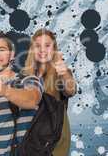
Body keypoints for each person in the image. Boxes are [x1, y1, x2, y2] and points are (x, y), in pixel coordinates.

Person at [0, 31, 43, 156]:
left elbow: (33, 99)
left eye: (1, 49)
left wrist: (4, 90)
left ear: (11, 55)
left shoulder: (28, 80)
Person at [23, 28, 77, 156]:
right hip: (31, 142)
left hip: (54, 141)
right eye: (38, 46)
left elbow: (71, 90)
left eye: (47, 45)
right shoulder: (25, 76)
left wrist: (63, 72)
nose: (42, 50)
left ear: (54, 49)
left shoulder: (61, 73)